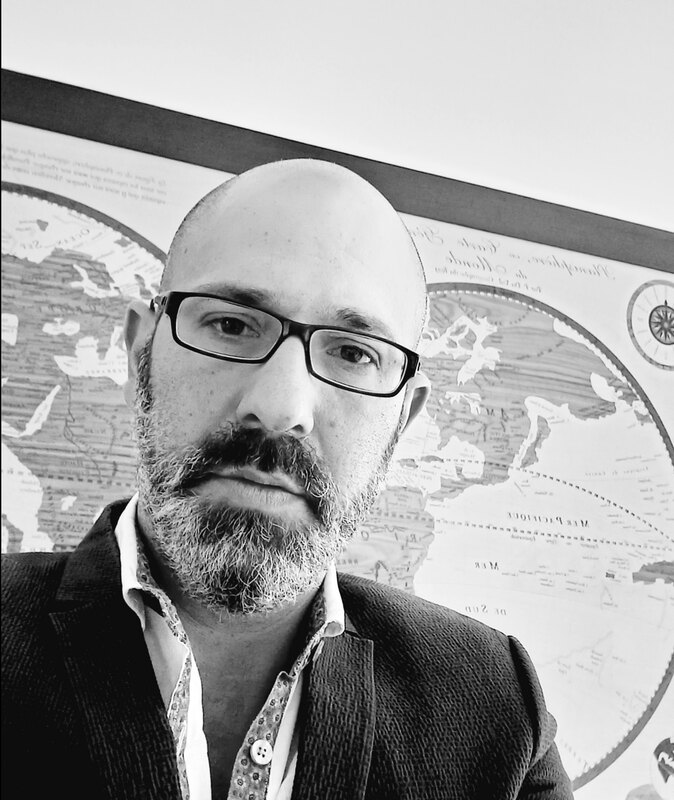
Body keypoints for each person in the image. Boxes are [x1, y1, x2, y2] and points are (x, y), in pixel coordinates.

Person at [1, 159, 573, 799]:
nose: (280, 409)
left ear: (402, 422)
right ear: (141, 357)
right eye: (231, 324)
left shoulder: (494, 706)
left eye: (353, 353)